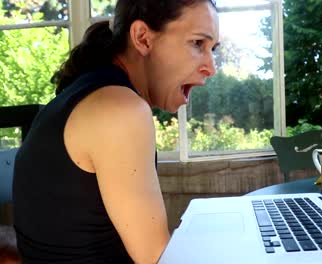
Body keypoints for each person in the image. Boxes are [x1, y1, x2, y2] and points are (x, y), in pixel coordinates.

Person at [12, 0, 219, 263]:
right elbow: (156, 259)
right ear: (143, 38)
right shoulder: (120, 109)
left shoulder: (86, 93)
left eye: (213, 49)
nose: (211, 67)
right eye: (197, 43)